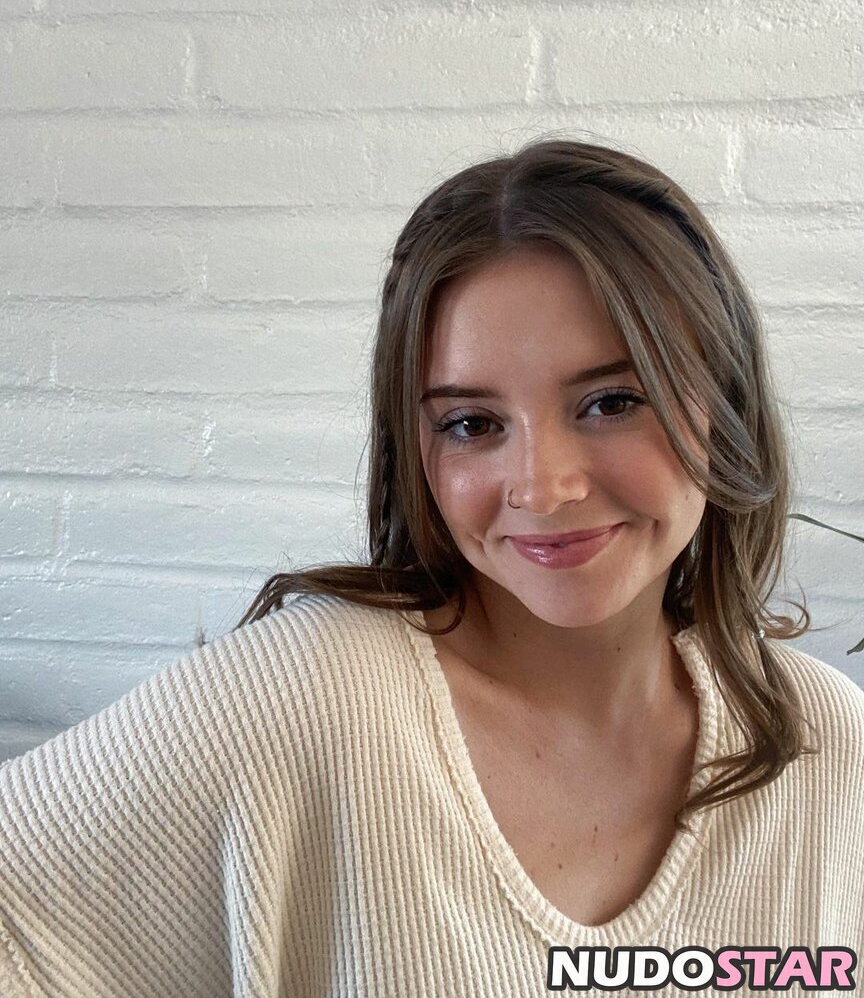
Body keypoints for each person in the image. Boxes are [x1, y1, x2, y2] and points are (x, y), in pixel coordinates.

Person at [1, 137, 863, 997]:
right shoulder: (307, 698)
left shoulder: (826, 740)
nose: (543, 487)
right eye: (472, 424)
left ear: (726, 403)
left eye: (612, 402)